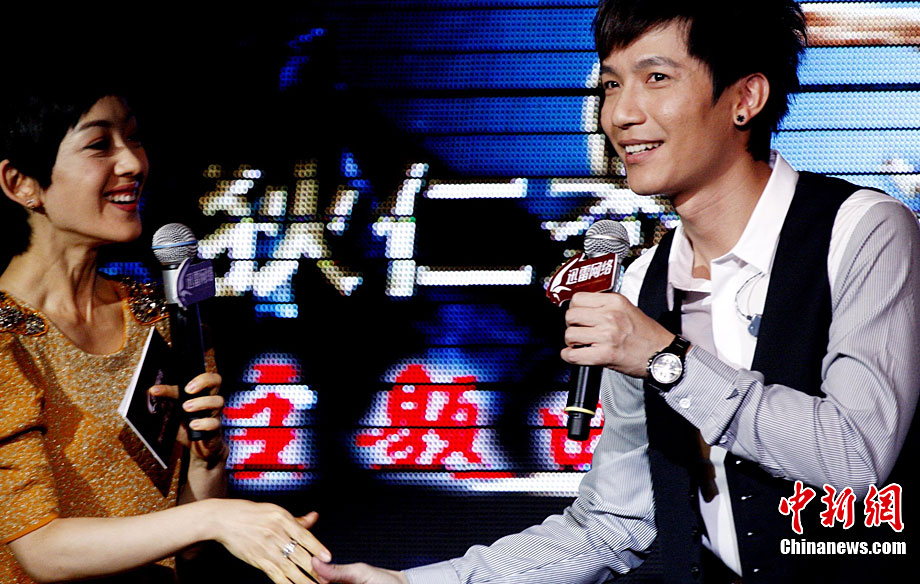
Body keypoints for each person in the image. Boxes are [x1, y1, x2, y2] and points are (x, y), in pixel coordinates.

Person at [312, 0, 920, 583]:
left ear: (745, 98)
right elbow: (613, 524)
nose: (621, 114)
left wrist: (665, 361)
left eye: (656, 78)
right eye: (610, 84)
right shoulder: (641, 280)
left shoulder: (863, 231)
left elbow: (855, 460)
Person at [0, 82, 331, 584]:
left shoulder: (158, 316)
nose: (133, 163)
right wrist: (216, 518)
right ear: (22, 183)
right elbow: (40, 549)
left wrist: (206, 459)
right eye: (100, 145)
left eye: (134, 139)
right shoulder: (7, 340)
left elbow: (188, 547)